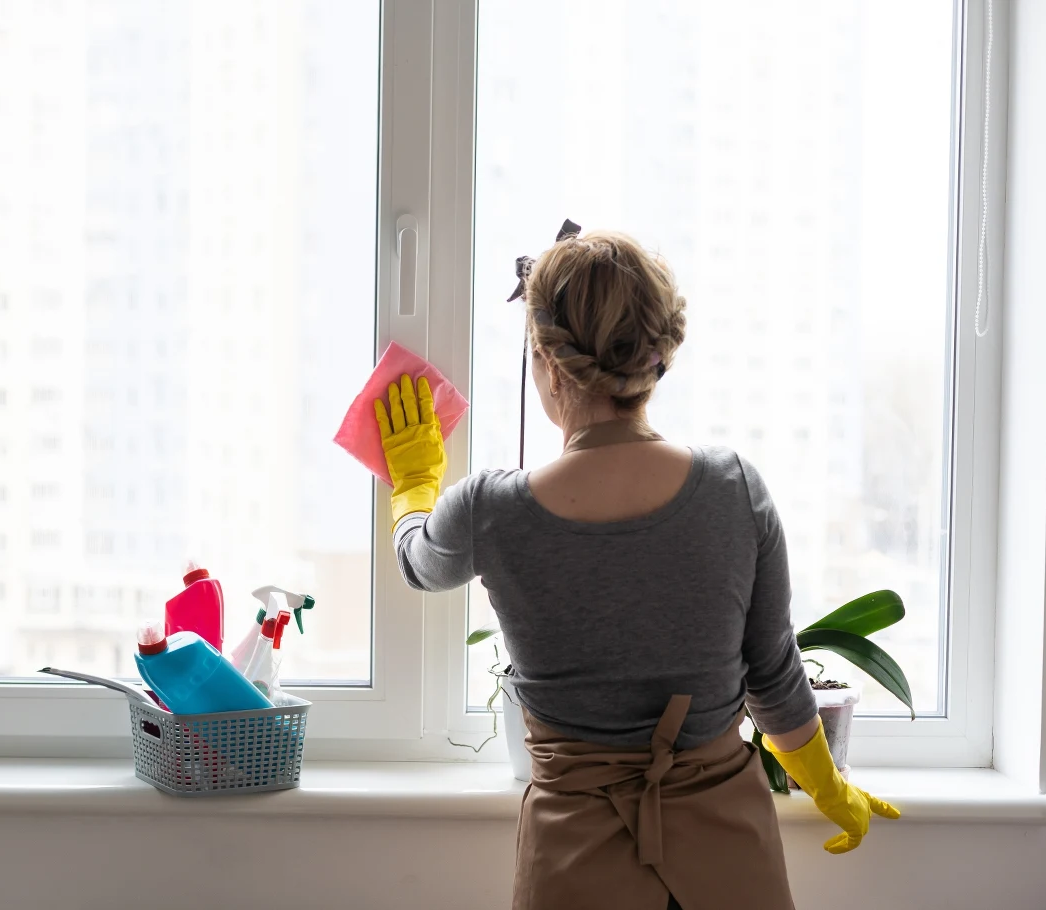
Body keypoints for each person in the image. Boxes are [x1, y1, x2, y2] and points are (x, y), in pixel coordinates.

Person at [373, 223, 899, 910]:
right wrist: (827, 787)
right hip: (729, 853)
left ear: (552, 366)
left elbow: (420, 565)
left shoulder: (490, 509)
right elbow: (772, 673)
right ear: (657, 359)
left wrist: (414, 483)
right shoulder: (734, 488)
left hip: (576, 858)